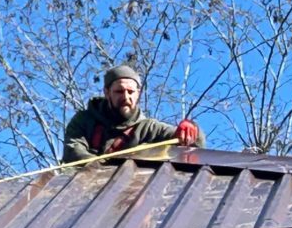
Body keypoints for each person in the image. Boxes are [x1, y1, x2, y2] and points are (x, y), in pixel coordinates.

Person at [62, 65, 204, 163]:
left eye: (131, 92)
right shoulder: (84, 120)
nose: (126, 97)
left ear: (138, 93)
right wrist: (100, 167)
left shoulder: (148, 128)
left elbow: (194, 142)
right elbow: (73, 151)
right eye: (119, 92)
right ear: (107, 92)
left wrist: (191, 129)